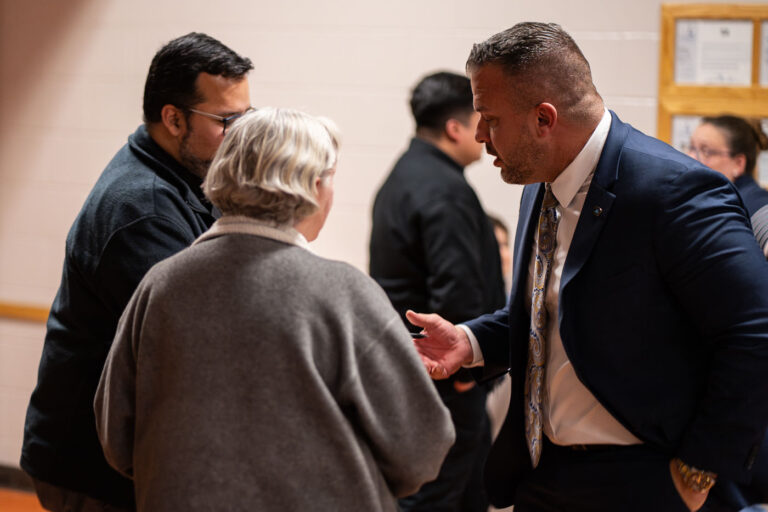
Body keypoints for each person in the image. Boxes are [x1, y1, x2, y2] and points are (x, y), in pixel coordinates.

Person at [408, 22, 768, 512]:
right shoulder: (541, 179)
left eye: (489, 119)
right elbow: (555, 311)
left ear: (544, 118)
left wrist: (698, 470)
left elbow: (754, 331)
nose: (479, 136)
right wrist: (469, 341)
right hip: (545, 471)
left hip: (645, 480)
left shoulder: (673, 190)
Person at [93, 107, 455, 511]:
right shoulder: (342, 292)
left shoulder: (160, 285)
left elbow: (117, 437)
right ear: (313, 186)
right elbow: (422, 447)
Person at [20, 33, 253, 511]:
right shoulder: (142, 209)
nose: (240, 136)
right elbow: (195, 340)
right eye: (227, 122)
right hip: (91, 470)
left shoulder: (185, 178)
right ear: (174, 119)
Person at [369, 71, 506, 512]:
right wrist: (465, 372)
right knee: (436, 496)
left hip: (418, 368)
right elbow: (457, 288)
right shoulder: (444, 190)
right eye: (481, 122)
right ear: (454, 128)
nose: (485, 135)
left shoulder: (405, 174)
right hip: (444, 376)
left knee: (463, 491)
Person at [687, 115, 768, 257]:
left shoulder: (750, 197)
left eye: (706, 151)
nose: (690, 157)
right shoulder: (710, 200)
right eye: (692, 148)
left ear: (738, 163)